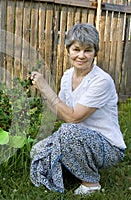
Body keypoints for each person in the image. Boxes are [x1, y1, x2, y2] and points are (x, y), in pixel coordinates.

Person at [28, 23, 126, 195]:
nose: (81, 55)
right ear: (68, 50)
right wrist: (43, 92)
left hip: (107, 147)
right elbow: (61, 113)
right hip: (77, 138)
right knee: (37, 150)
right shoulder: (67, 77)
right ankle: (74, 167)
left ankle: (91, 183)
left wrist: (45, 88)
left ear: (95, 53)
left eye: (88, 50)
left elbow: (73, 118)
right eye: (76, 49)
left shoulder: (101, 81)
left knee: (67, 132)